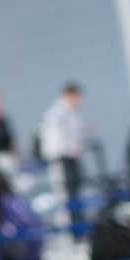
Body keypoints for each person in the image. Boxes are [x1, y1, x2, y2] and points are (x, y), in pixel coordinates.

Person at [43, 83, 88, 232]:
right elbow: (54, 143)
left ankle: (78, 230)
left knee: (76, 195)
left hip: (71, 160)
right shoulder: (57, 114)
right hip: (62, 162)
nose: (79, 101)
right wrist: (68, 150)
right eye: (77, 97)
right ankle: (72, 232)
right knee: (66, 198)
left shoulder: (70, 113)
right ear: (70, 95)